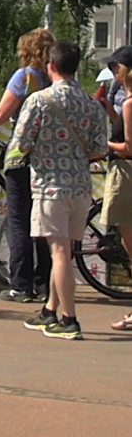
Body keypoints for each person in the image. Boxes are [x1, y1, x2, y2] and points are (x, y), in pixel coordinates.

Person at [11, 40, 106, 340]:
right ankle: (49, 310)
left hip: (49, 186)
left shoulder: (39, 101)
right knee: (64, 251)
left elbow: (21, 143)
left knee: (59, 252)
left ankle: (69, 319)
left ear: (51, 65)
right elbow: (99, 148)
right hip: (81, 187)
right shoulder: (90, 103)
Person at [0, 27, 56, 303]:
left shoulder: (25, 76)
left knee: (19, 220)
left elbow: (0, 113)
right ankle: (44, 284)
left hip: (22, 155)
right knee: (42, 221)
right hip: (48, 157)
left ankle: (21, 284)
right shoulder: (53, 78)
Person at [104, 48, 132, 331]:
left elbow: (128, 147)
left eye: (116, 67)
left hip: (126, 173)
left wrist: (104, 145)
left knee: (131, 244)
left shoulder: (130, 103)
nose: (113, 72)